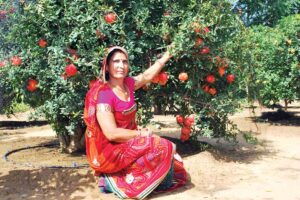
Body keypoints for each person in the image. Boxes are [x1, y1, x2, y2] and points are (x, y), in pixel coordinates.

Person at [84, 46, 187, 199]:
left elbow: (146, 76)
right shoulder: (104, 95)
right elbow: (111, 134)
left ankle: (126, 176)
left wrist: (167, 55)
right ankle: (111, 179)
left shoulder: (128, 84)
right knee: (163, 146)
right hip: (111, 149)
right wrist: (140, 134)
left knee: (166, 149)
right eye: (116, 61)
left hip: (127, 141)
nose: (121, 66)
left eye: (124, 62)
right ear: (107, 66)